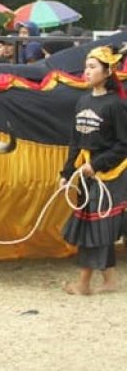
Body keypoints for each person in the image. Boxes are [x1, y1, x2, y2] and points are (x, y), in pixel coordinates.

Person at [59, 46, 127, 295]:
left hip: (111, 174)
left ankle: (83, 284)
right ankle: (110, 281)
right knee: (95, 225)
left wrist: (97, 165)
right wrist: (66, 174)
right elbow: (75, 141)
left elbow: (124, 145)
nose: (86, 72)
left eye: (92, 67)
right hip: (88, 175)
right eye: (86, 67)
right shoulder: (82, 101)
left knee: (95, 227)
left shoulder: (116, 105)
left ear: (108, 71)